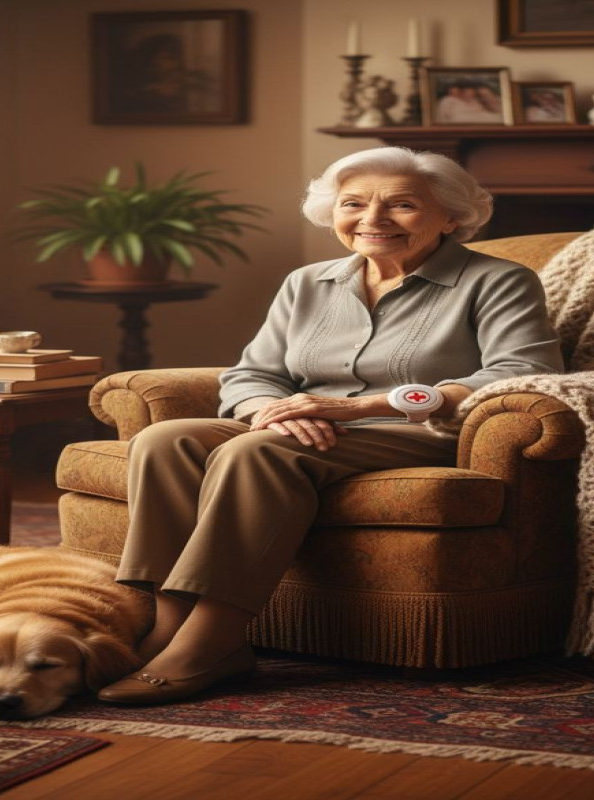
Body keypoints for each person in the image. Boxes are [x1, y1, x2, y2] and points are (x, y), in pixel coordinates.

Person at [96, 146, 565, 705]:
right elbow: (252, 373)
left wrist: (363, 408)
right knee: (164, 440)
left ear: (453, 216)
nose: (373, 220)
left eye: (403, 205)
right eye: (354, 204)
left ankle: (212, 642)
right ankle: (167, 627)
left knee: (255, 454)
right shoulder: (308, 283)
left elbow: (522, 374)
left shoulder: (497, 281)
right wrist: (267, 413)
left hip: (422, 432)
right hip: (308, 426)